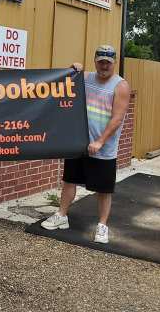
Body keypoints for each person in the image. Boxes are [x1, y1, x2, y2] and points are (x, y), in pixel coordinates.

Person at [41, 45, 130, 244]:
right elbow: (68, 80)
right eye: (100, 62)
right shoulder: (86, 77)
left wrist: (100, 141)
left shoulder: (120, 85)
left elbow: (117, 119)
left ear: (114, 63)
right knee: (69, 181)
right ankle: (62, 216)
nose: (104, 66)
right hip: (79, 143)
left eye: (108, 63)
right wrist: (73, 68)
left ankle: (102, 226)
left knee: (104, 190)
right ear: (95, 61)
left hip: (103, 147)